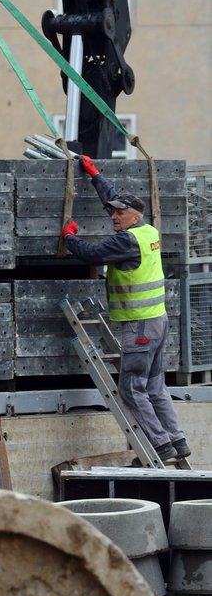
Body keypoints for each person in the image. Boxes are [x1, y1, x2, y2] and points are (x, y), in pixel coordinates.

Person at [61, 154, 190, 464]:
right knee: (155, 385)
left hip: (139, 327)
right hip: (157, 321)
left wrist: (69, 238)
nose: (113, 217)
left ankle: (159, 445)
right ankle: (177, 439)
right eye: (112, 213)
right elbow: (114, 197)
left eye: (119, 214)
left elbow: (91, 254)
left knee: (132, 388)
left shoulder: (125, 242)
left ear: (133, 216)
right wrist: (95, 176)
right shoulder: (148, 232)